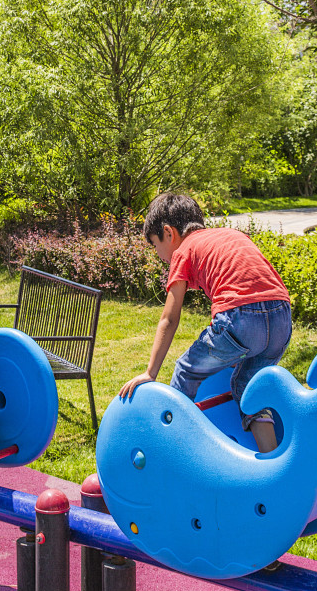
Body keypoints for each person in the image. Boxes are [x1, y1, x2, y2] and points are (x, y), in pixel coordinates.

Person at [119, 193, 292, 452]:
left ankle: (171, 448)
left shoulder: (184, 250)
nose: (158, 254)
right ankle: (272, 458)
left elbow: (170, 317)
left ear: (169, 232)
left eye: (155, 245)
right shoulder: (231, 235)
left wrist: (150, 373)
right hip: (282, 318)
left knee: (186, 370)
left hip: (240, 318)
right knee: (247, 386)